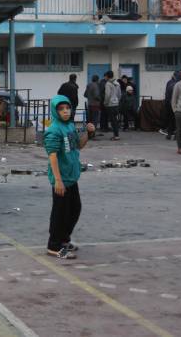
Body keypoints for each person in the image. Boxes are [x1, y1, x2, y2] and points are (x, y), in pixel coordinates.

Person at [45, 95, 96, 259]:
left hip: (71, 176)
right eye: (61, 109)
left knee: (75, 209)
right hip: (61, 179)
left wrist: (88, 133)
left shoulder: (70, 126)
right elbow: (52, 155)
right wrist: (58, 180)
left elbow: (78, 146)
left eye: (67, 108)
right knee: (60, 212)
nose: (66, 111)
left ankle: (64, 239)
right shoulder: (54, 130)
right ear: (55, 111)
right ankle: (53, 245)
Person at [103, 71, 122, 141]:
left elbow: (107, 95)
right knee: (115, 120)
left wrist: (105, 103)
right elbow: (120, 94)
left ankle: (116, 136)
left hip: (110, 105)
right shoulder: (117, 83)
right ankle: (116, 135)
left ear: (107, 76)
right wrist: (117, 101)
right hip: (116, 104)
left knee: (113, 121)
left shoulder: (108, 84)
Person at [161, 72, 179, 139]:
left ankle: (169, 134)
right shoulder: (177, 84)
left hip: (168, 104)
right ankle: (176, 135)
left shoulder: (169, 83)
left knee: (171, 120)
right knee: (177, 120)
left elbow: (167, 94)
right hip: (174, 105)